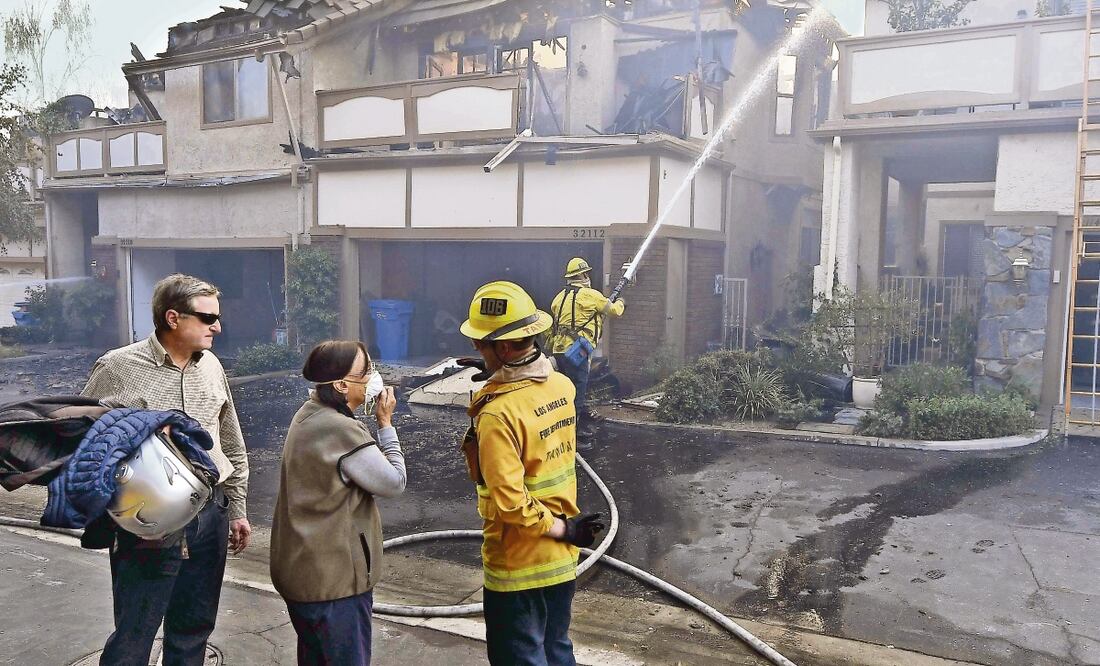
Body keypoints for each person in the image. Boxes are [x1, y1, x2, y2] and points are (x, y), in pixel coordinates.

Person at [81, 273, 251, 665]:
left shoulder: (210, 366)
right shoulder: (118, 366)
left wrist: (238, 509)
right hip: (148, 520)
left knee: (194, 627)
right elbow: (83, 441)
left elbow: (231, 441)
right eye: (208, 318)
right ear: (173, 318)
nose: (218, 327)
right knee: (135, 632)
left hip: (211, 513)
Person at [459, 280, 605, 665]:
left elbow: (510, 504)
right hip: (561, 560)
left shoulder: (497, 413)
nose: (475, 347)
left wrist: (563, 529)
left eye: (482, 342)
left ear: (505, 347)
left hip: (518, 564)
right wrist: (497, 374)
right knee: (557, 650)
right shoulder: (562, 387)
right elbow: (535, 389)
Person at [270, 340, 404, 665]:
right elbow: (393, 481)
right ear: (342, 384)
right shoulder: (339, 429)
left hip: (303, 574)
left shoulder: (309, 414)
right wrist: (386, 425)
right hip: (334, 584)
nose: (374, 377)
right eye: (366, 371)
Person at [548, 257, 625, 435]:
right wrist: (622, 302)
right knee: (578, 390)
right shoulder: (591, 295)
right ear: (582, 274)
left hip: (558, 351)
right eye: (587, 273)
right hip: (576, 352)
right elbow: (614, 310)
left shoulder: (558, 297)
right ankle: (572, 433)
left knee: (563, 391)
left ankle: (559, 427)